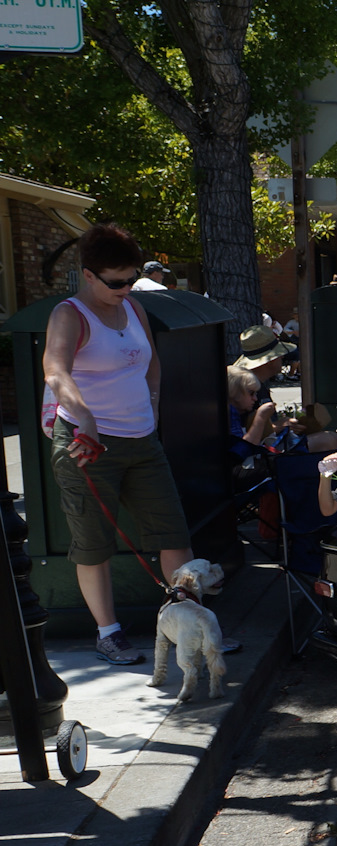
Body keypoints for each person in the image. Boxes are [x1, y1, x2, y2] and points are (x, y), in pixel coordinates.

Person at [41, 224, 196, 664]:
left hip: (142, 439)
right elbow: (55, 371)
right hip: (87, 444)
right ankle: (108, 634)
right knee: (93, 544)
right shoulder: (69, 314)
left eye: (131, 279)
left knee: (174, 535)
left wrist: (153, 408)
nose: (125, 288)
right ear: (89, 275)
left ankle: (190, 627)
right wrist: (85, 417)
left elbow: (152, 364)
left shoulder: (133, 307)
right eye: (115, 282)